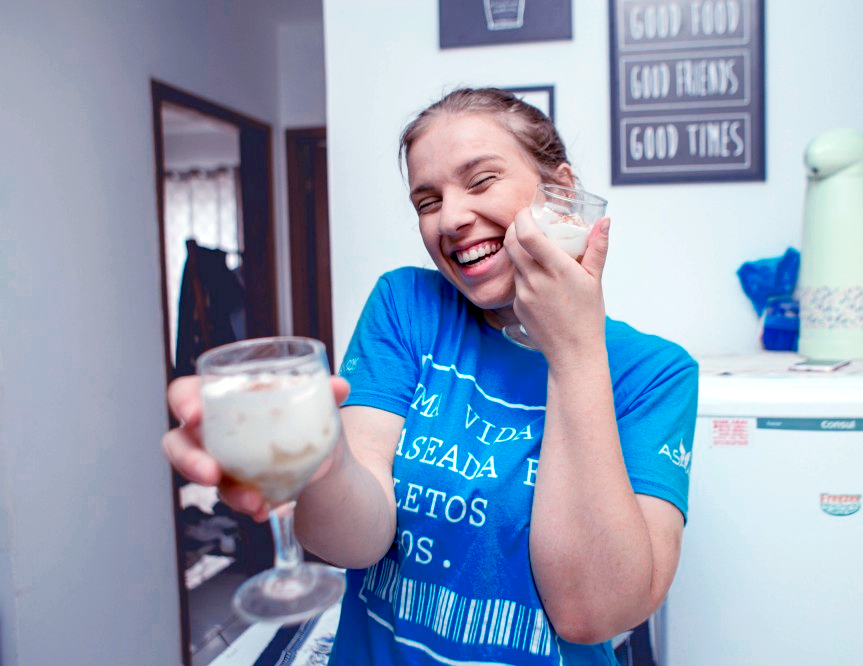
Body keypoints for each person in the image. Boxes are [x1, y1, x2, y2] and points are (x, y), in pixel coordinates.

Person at [162, 86, 698, 665]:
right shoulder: (406, 305)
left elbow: (591, 614)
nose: (452, 218)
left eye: (481, 181)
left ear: (562, 192)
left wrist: (574, 350)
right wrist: (320, 461)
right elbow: (355, 541)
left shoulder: (656, 374)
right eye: (427, 201)